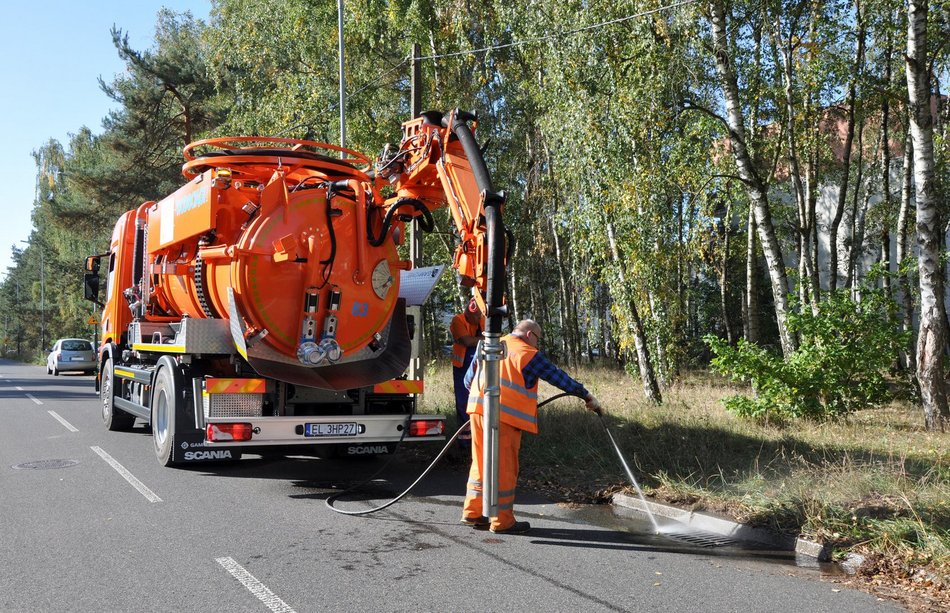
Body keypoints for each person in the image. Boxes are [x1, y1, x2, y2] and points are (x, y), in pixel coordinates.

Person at [460, 319, 602, 534]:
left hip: (477, 411)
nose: (538, 344)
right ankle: (502, 521)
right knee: (504, 468)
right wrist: (587, 395)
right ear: (529, 335)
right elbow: (558, 378)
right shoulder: (527, 352)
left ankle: (473, 513)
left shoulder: (491, 344)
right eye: (538, 339)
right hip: (504, 418)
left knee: (480, 462)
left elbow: (468, 381)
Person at [449, 297, 482, 449]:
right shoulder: (458, 320)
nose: (478, 319)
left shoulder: (483, 318)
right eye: (474, 317)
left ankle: (479, 439)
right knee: (464, 404)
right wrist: (484, 339)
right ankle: (465, 444)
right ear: (468, 313)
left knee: (481, 403)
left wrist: (479, 339)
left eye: (479, 316)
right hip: (462, 367)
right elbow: (467, 342)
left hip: (481, 366)